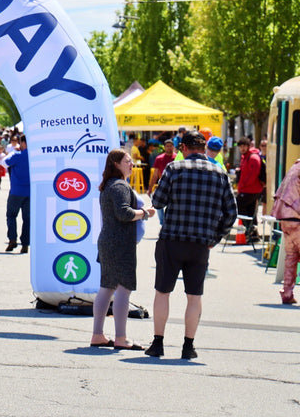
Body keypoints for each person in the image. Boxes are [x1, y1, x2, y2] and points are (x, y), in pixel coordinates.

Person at [147, 130, 236, 359]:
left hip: (172, 239)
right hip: (200, 244)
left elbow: (157, 201)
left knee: (163, 292)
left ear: (183, 148)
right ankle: (188, 346)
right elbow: (231, 213)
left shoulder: (174, 169)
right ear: (204, 148)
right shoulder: (219, 173)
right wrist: (214, 238)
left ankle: (158, 343)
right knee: (194, 296)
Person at [91, 150, 155, 349]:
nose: (132, 164)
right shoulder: (119, 185)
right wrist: (144, 213)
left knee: (107, 288)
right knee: (123, 290)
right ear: (116, 164)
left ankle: (98, 334)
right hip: (120, 244)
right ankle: (121, 338)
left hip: (108, 241)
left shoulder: (109, 185)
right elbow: (123, 213)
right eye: (127, 161)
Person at [271, 156, 300, 304]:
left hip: (285, 218)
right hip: (297, 216)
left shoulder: (294, 168)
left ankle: (287, 293)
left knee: (291, 257)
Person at [4, 134, 30, 253]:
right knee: (27, 219)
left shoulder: (17, 155)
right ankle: (25, 244)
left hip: (16, 190)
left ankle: (12, 239)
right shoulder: (35, 157)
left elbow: (4, 163)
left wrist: (13, 152)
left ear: (23, 143)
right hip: (30, 192)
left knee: (11, 215)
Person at [235, 136, 264, 242]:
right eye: (240, 146)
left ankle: (250, 228)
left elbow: (253, 174)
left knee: (238, 205)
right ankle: (254, 235)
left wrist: (243, 185)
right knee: (250, 211)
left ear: (248, 146)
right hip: (249, 189)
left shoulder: (253, 158)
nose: (242, 148)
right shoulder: (245, 157)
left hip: (251, 189)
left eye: (244, 146)